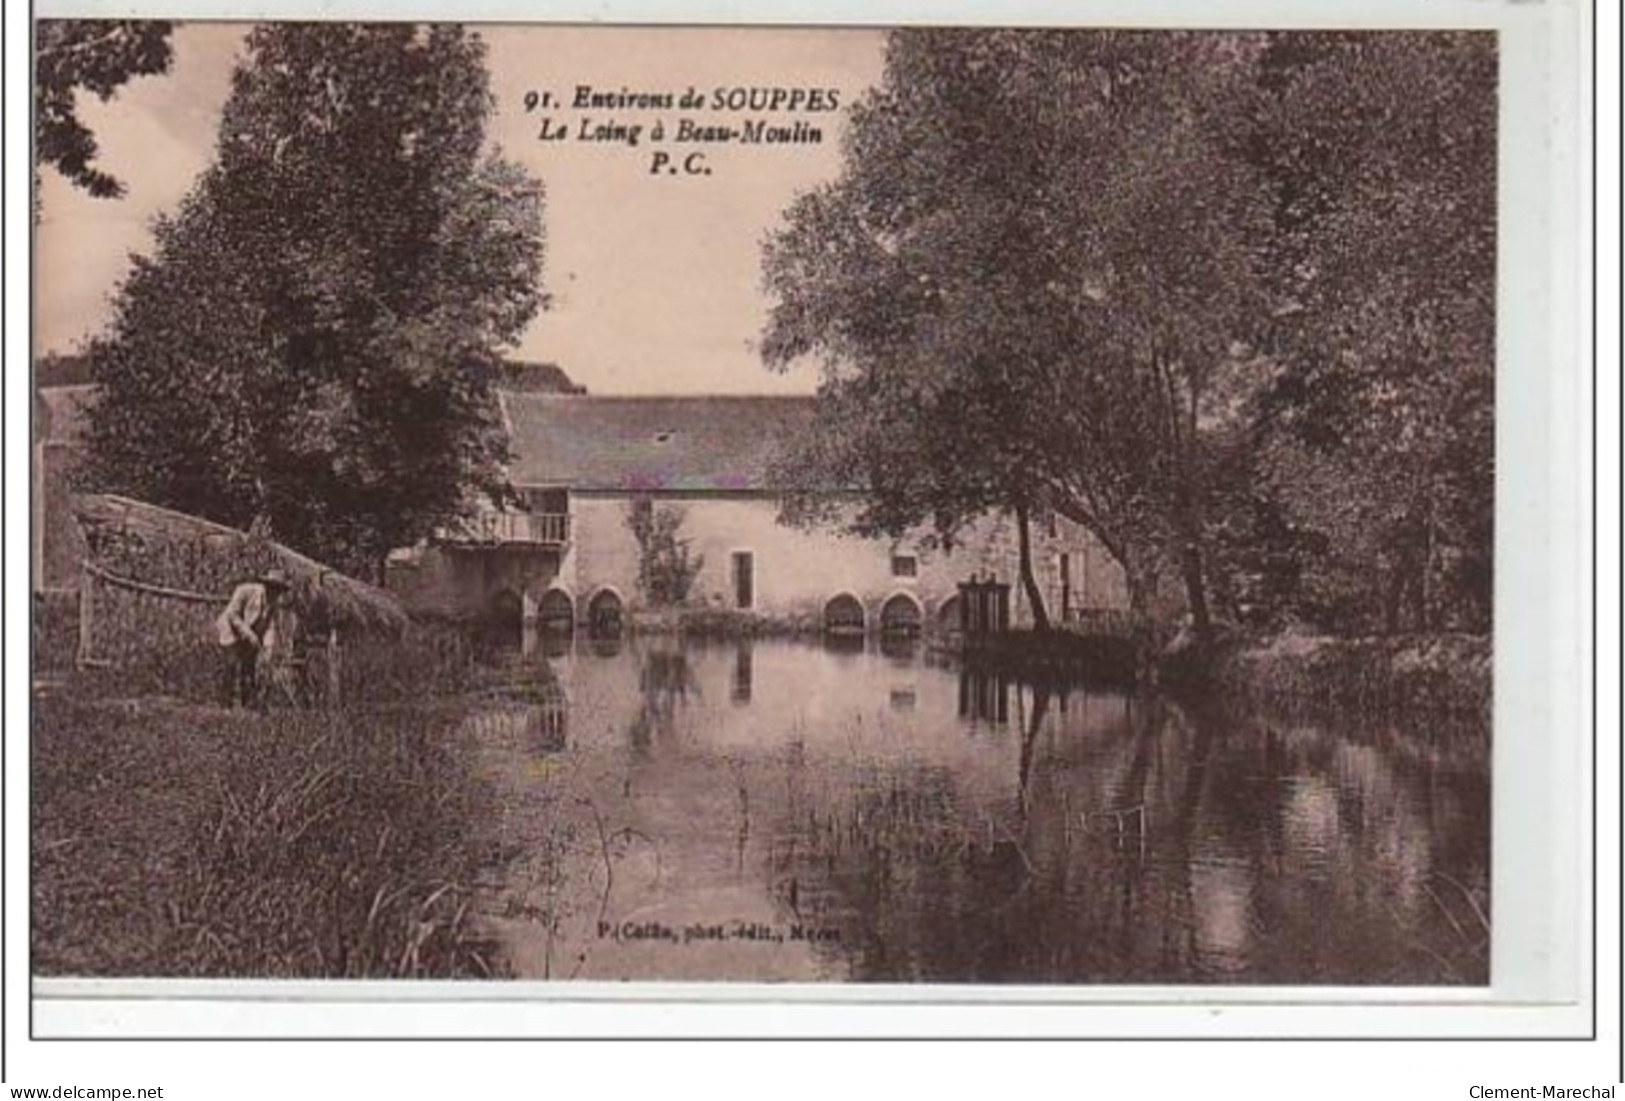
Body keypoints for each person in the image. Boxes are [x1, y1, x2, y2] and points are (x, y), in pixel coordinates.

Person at [216, 567, 290, 709]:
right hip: (229, 630)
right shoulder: (245, 590)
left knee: (249, 667)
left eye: (278, 590)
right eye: (273, 588)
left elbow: (270, 626)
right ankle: (225, 705)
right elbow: (232, 615)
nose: (275, 593)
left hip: (251, 635)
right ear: (267, 585)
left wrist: (269, 647)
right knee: (231, 663)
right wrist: (249, 634)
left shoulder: (273, 603)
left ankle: (248, 704)